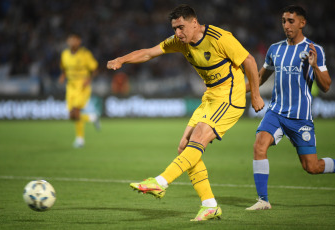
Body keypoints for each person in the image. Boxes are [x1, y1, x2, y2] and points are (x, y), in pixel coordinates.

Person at [107, 4, 264, 221]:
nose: (177, 33)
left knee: (198, 137)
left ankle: (160, 182)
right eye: (174, 28)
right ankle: (209, 204)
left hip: (230, 97)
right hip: (210, 97)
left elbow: (249, 60)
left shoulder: (219, 37)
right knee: (184, 147)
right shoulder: (180, 43)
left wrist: (255, 95)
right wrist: (121, 60)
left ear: (194, 22)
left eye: (181, 27)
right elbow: (148, 53)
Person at [246, 5, 333, 210]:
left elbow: (326, 86)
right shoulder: (275, 49)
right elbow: (258, 78)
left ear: (302, 23)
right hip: (275, 112)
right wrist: (236, 91)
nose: (286, 25)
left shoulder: (314, 50)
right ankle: (263, 200)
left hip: (300, 118)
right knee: (259, 146)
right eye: (284, 21)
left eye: (291, 21)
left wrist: (313, 66)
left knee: (311, 167)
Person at [59, 33, 100, 148]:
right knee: (72, 116)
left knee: (76, 111)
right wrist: (62, 76)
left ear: (79, 41)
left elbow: (95, 69)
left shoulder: (85, 54)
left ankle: (80, 140)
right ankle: (92, 117)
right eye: (70, 40)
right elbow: (63, 68)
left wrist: (89, 79)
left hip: (82, 86)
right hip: (70, 87)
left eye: (74, 40)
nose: (72, 42)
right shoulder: (65, 54)